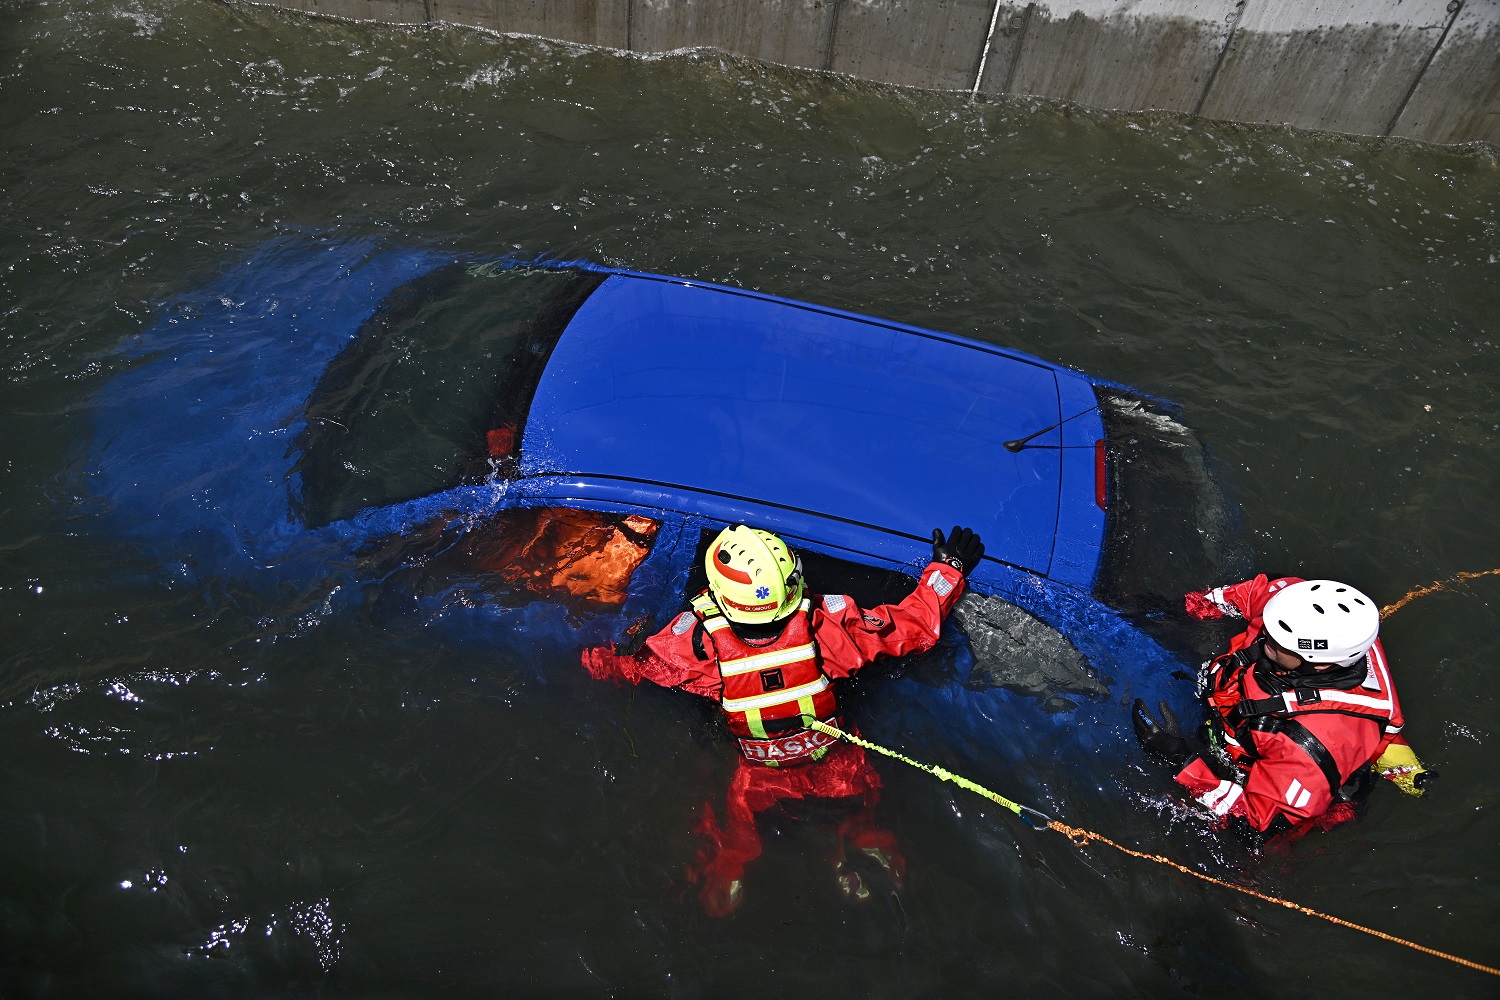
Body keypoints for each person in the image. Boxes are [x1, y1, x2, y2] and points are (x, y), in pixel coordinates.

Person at [581, 522, 983, 915]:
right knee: (858, 808)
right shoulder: (828, 629)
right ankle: (860, 840)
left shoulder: (694, 645)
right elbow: (915, 627)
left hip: (760, 773)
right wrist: (949, 570)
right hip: (836, 758)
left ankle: (730, 868)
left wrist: (594, 658)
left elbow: (643, 668)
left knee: (738, 828)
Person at [1133, 575, 1434, 843]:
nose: (1266, 639)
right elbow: (1250, 595)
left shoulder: (1309, 745)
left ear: (1320, 663)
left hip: (1298, 781)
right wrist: (1180, 609)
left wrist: (1181, 762)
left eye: (1280, 643)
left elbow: (1254, 825)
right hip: (1243, 716)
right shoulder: (1294, 605)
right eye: (1269, 629)